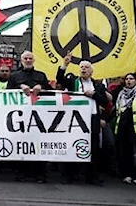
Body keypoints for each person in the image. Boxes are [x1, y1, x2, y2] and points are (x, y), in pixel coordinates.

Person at [56, 53, 109, 185]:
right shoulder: (72, 81)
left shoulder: (98, 86)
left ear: (91, 71)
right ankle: (70, 175)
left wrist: (94, 95)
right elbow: (59, 79)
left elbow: (104, 102)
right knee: (73, 145)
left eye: (86, 67)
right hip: (75, 120)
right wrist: (65, 64)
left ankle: (92, 176)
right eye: (81, 67)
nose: (83, 69)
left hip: (92, 119)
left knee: (93, 148)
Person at [7, 51, 50, 183]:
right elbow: (7, 94)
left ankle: (39, 174)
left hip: (39, 117)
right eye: (25, 58)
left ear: (34, 60)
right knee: (21, 144)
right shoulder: (14, 76)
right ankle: (22, 173)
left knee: (38, 144)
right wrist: (20, 87)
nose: (28, 60)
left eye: (30, 58)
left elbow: (49, 91)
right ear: (21, 60)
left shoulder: (41, 75)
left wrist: (41, 86)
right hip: (20, 116)